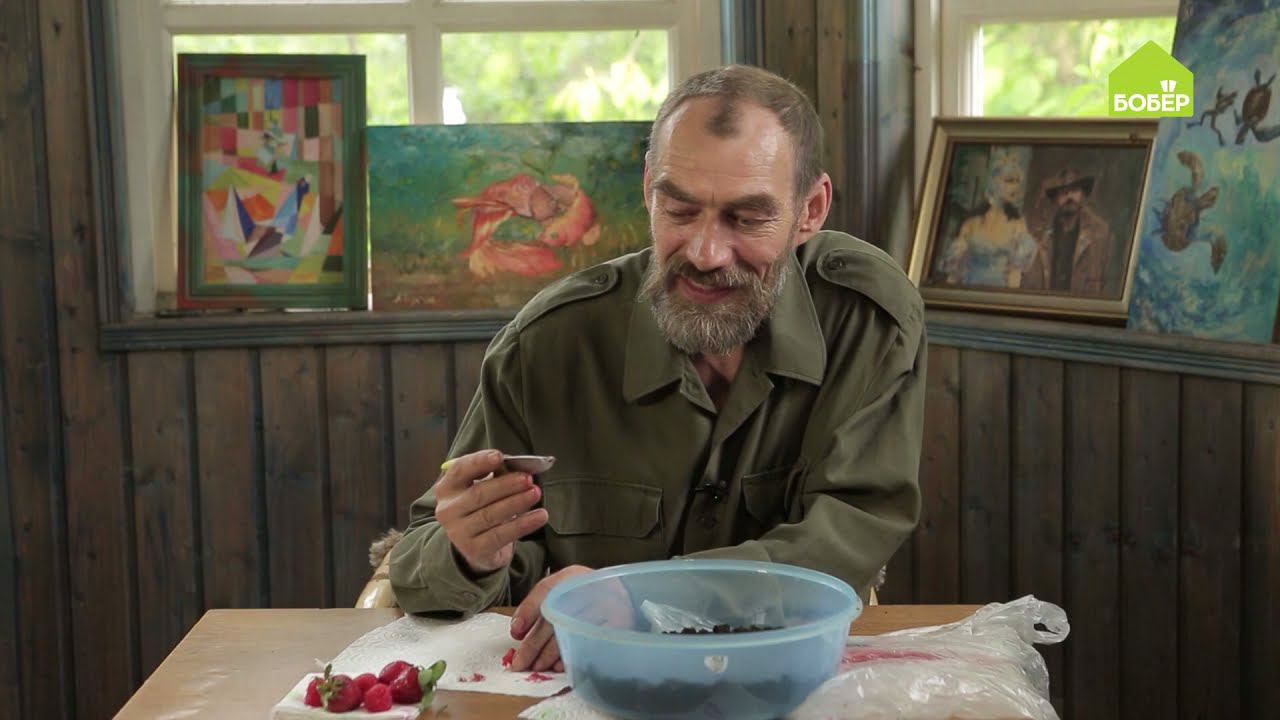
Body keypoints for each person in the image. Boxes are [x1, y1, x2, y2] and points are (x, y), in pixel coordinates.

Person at [389, 65, 926, 674]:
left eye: (746, 219)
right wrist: (470, 555)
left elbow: (851, 535)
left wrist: (643, 600)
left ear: (811, 210)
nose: (705, 253)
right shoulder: (546, 344)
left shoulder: (867, 320)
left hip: (793, 679)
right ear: (649, 189)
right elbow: (421, 559)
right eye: (679, 210)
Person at [934, 148, 1039, 288]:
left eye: (1018, 181)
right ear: (994, 182)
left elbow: (1015, 276)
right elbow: (954, 276)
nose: (1016, 187)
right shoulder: (971, 223)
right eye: (1010, 180)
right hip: (969, 290)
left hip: (998, 292)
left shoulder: (1018, 225)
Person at [1022, 168, 1113, 296]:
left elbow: (1103, 280)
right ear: (1055, 198)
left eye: (1075, 191)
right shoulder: (1039, 232)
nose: (1070, 197)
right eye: (1064, 192)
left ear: (1082, 194)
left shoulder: (1099, 233)